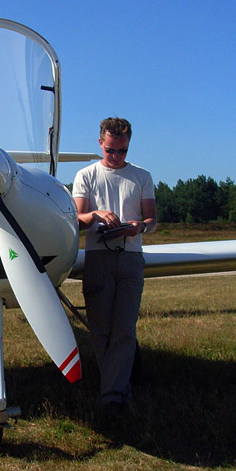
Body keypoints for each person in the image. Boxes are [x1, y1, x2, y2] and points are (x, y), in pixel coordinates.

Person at [72, 117, 157, 417]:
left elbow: (152, 220)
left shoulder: (142, 176)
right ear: (100, 144)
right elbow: (77, 219)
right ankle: (119, 390)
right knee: (99, 329)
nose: (116, 156)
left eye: (122, 151)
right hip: (98, 256)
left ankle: (111, 397)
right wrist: (95, 215)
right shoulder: (85, 175)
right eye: (110, 150)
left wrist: (138, 227)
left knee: (124, 329)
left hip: (132, 257)